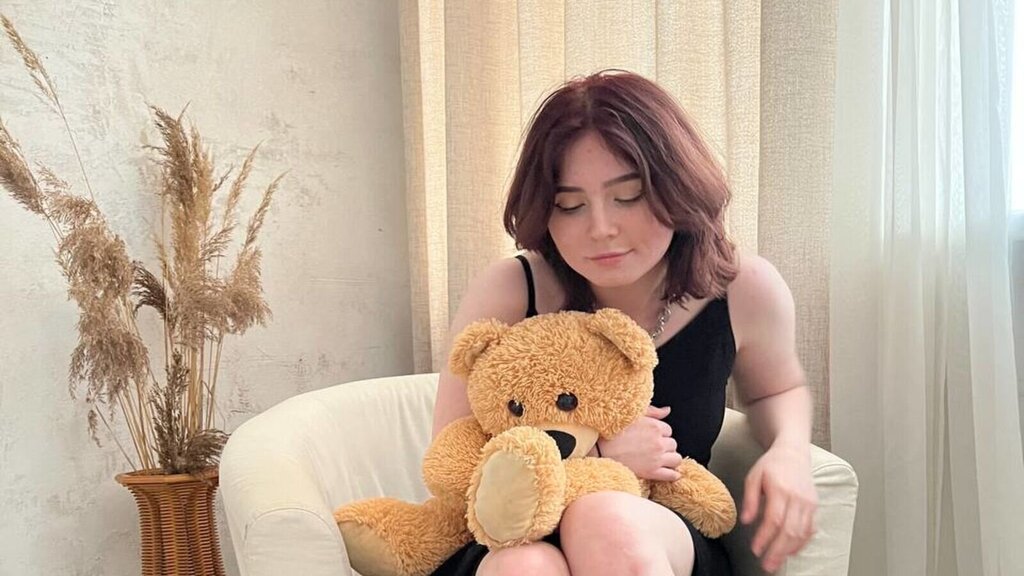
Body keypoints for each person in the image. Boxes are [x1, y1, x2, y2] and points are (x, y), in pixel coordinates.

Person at [429, 70, 817, 576]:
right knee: (525, 566)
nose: (601, 228)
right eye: (569, 205)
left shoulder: (742, 287)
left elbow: (776, 389)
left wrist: (790, 452)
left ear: (676, 187)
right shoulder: (511, 289)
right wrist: (596, 454)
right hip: (511, 538)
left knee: (605, 518)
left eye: (628, 196)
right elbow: (450, 464)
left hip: (658, 531)